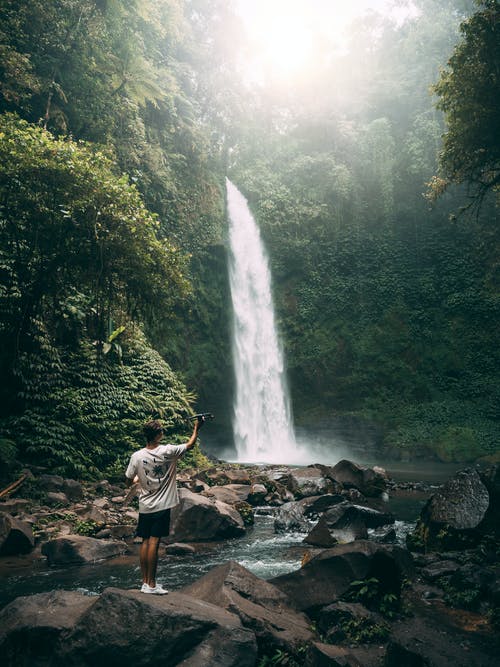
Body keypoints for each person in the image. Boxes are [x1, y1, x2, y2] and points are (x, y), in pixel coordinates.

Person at [125, 417, 203, 594]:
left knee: (145, 541)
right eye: (161, 431)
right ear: (158, 435)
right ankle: (151, 585)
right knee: (154, 542)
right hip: (161, 505)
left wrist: (138, 478)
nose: (163, 433)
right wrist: (197, 427)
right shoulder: (168, 451)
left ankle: (145, 583)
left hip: (145, 505)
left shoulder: (136, 456)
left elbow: (129, 481)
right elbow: (189, 445)